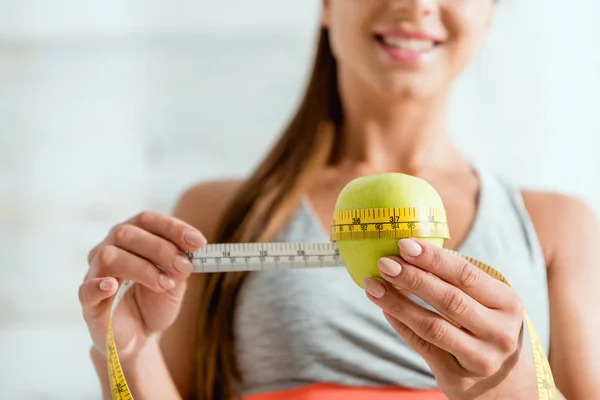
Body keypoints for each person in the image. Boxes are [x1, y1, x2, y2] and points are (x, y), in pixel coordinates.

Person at [79, 1, 600, 399]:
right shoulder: (216, 213)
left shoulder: (556, 224)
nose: (415, 3)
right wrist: (128, 349)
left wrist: (510, 386)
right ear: (327, 5)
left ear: (489, 15)